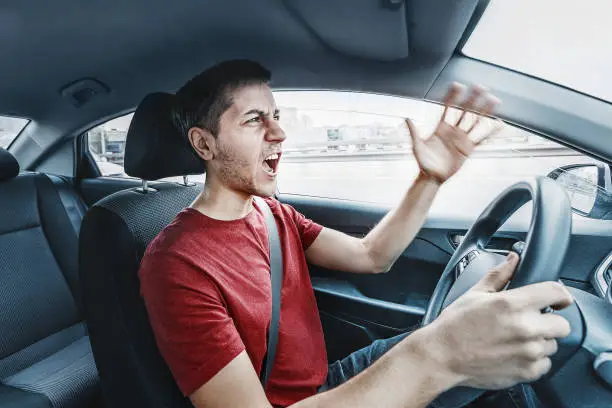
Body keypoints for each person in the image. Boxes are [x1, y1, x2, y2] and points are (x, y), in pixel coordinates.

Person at [138, 59, 574, 408]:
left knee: (507, 358)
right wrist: (438, 353)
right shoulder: (175, 264)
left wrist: (430, 179)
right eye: (255, 120)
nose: (280, 132)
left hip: (334, 380)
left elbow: (372, 256)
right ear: (204, 144)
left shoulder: (273, 214)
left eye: (276, 115)